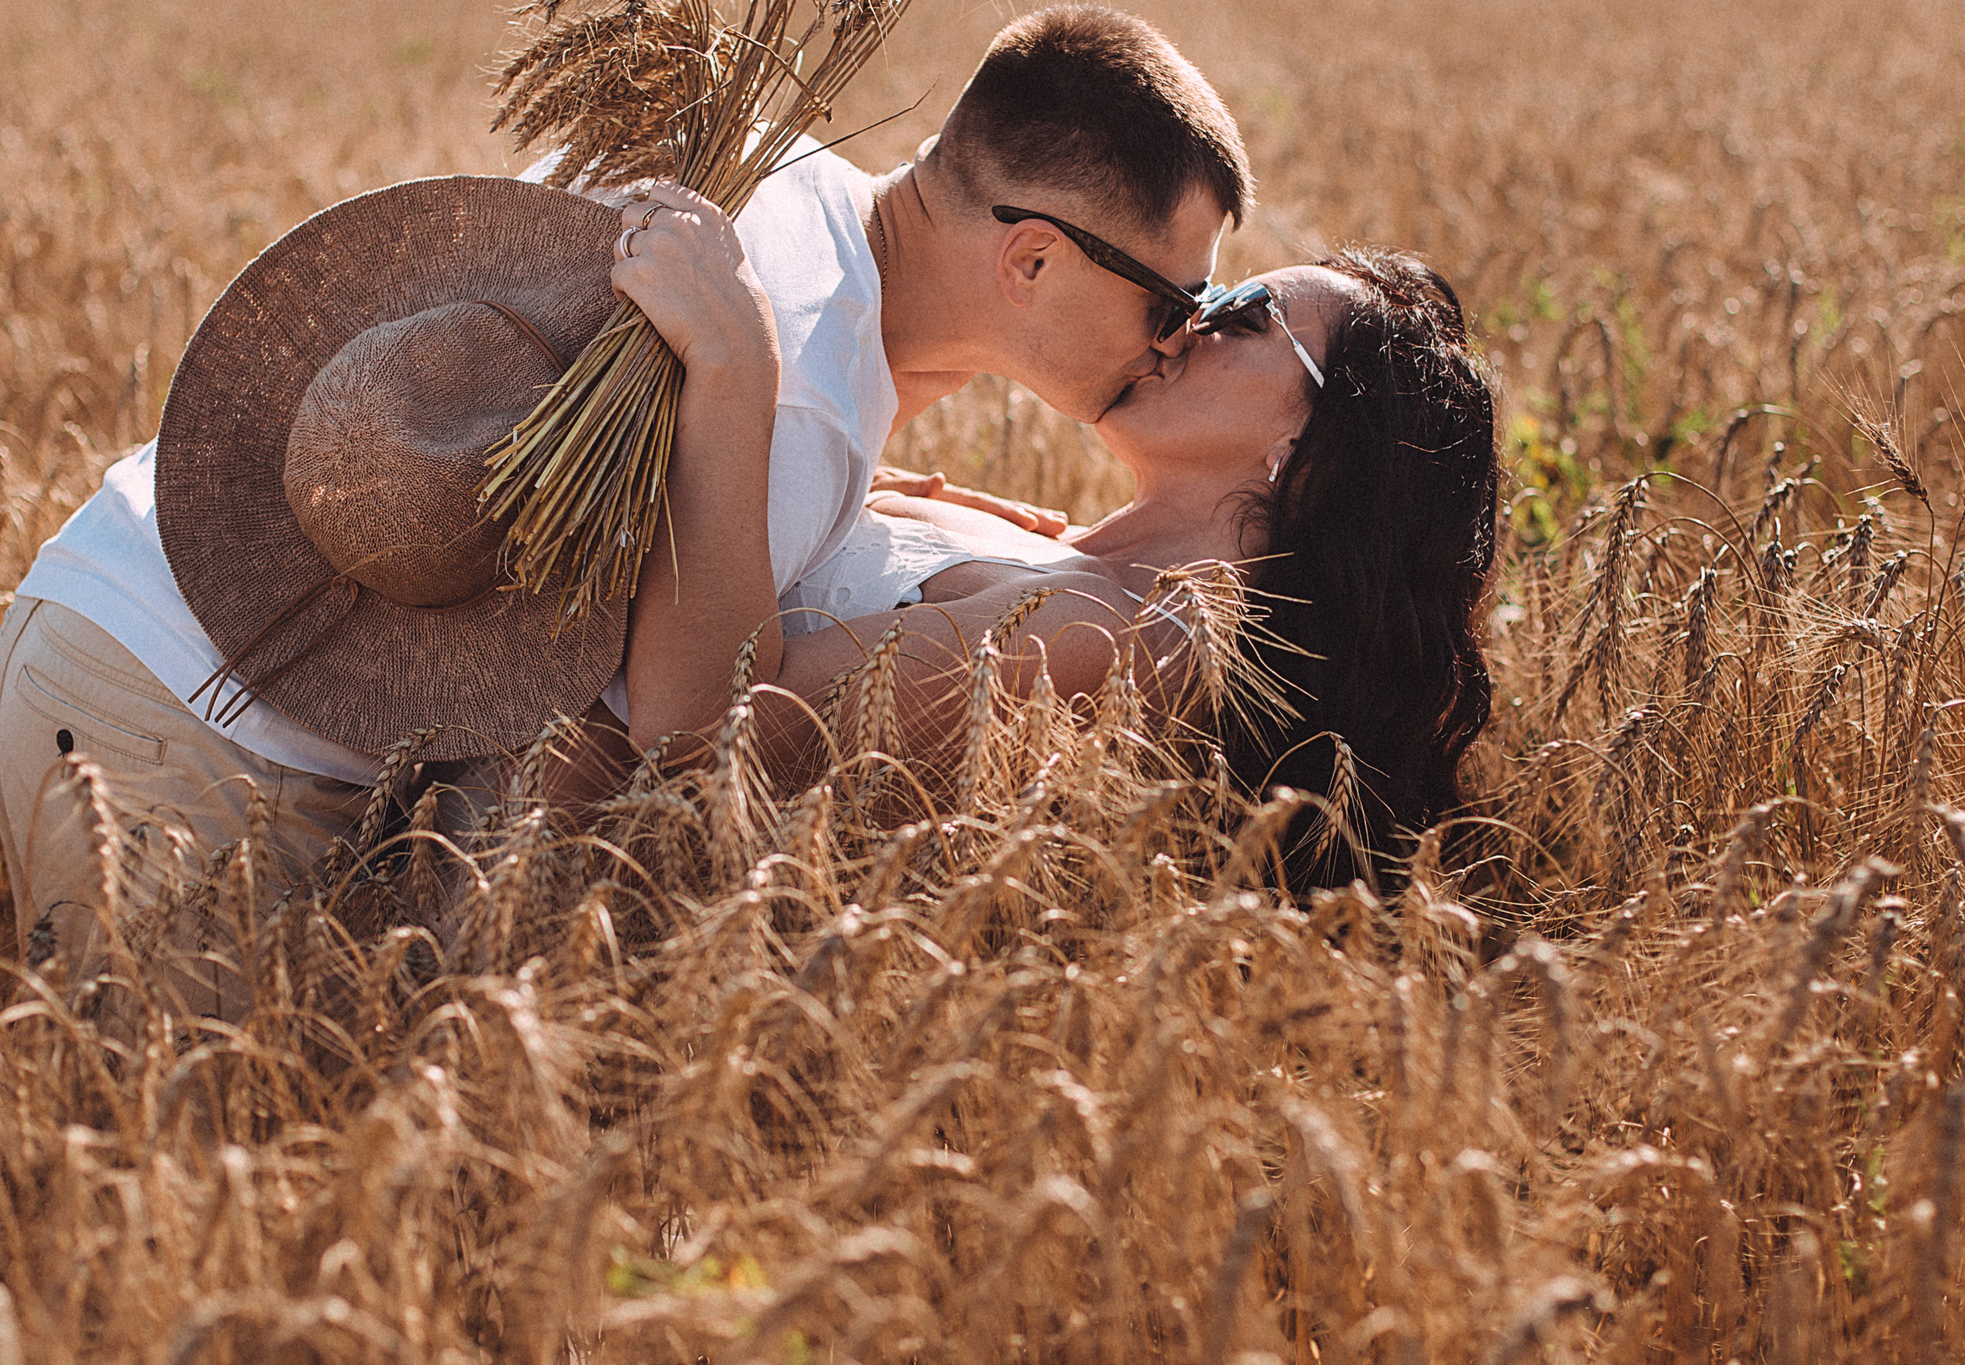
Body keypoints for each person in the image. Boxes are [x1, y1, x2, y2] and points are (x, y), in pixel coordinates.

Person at [0, 5, 1253, 997]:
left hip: (134, 624)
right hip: (185, 732)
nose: (1174, 342)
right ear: (1030, 257)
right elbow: (681, 732)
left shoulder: (776, 183)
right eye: (1171, 301)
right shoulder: (778, 385)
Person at [594, 207, 1503, 876]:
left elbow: (703, 742)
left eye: (1247, 312)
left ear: (1310, 455)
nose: (1187, 318)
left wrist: (733, 365)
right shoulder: (1059, 550)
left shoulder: (1108, 640)